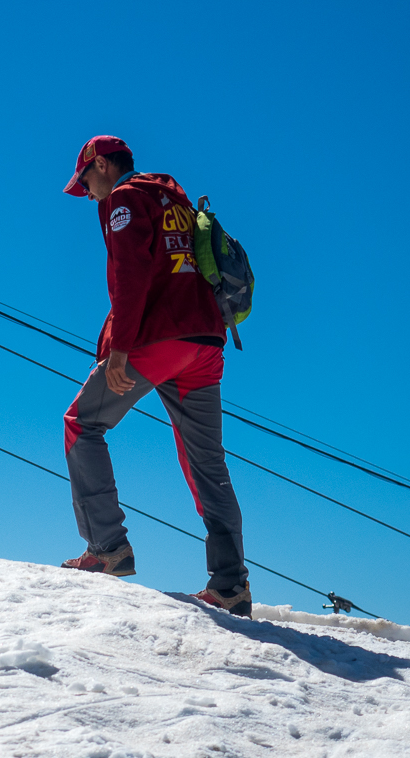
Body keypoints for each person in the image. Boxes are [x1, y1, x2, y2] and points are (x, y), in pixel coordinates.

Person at [58, 135, 252, 617]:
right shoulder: (178, 201)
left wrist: (119, 350)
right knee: (207, 462)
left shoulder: (124, 199)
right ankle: (231, 585)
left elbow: (131, 275)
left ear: (101, 165)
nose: (89, 195)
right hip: (206, 340)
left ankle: (107, 548)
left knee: (82, 424)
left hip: (159, 339)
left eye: (86, 183)